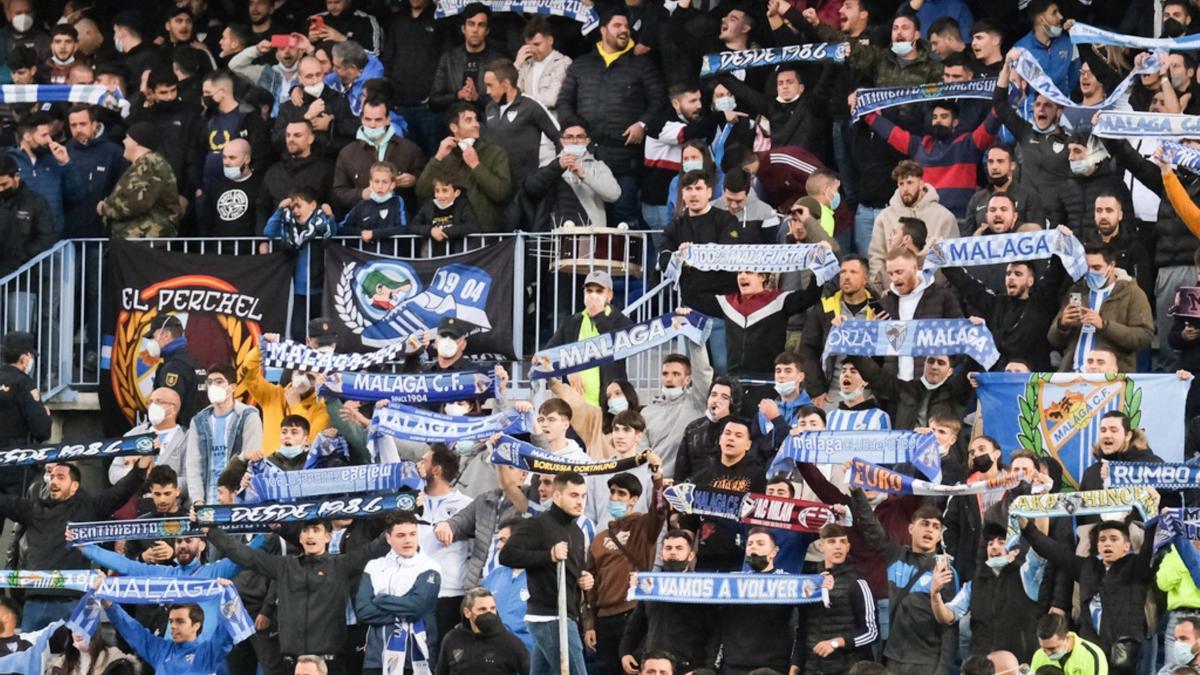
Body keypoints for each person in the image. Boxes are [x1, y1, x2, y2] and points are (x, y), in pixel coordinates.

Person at [208, 516, 388, 675]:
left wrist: (406, 513)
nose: (310, 535)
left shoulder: (341, 566)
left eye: (316, 530)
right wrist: (211, 531)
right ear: (300, 537)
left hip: (331, 664)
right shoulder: (284, 566)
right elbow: (246, 556)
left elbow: (374, 548)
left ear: (328, 537)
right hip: (291, 663)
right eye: (306, 531)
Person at [0, 456, 152, 630]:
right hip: (35, 602)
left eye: (61, 477)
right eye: (52, 476)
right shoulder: (33, 509)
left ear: (75, 486)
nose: (53, 481)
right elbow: (4, 503)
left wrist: (140, 468)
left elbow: (121, 491)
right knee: (30, 657)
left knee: (80, 655)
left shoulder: (89, 508)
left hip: (73, 602)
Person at [556, 7, 666, 226]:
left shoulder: (642, 64)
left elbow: (659, 99)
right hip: (587, 156)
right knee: (584, 219)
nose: (624, 30)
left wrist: (642, 124)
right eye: (617, 26)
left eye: (626, 26)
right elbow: (564, 101)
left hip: (625, 158)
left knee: (623, 218)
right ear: (603, 30)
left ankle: (627, 262)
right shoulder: (581, 64)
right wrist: (574, 131)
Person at [849, 486, 959, 675]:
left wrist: (942, 670)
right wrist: (857, 493)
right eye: (924, 523)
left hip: (927, 663)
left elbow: (950, 627)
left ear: (940, 535)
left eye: (935, 527)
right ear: (910, 528)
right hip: (893, 659)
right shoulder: (896, 556)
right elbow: (872, 528)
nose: (930, 530)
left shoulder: (945, 571)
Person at [498, 471, 594, 675]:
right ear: (557, 496)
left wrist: (584, 580)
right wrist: (547, 556)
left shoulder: (577, 532)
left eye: (583, 496)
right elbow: (506, 555)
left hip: (565, 615)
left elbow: (574, 572)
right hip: (550, 617)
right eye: (574, 495)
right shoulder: (538, 524)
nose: (580, 502)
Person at [586, 461, 664, 675]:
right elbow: (590, 585)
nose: (615, 498)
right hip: (603, 619)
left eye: (621, 494)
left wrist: (657, 477)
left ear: (634, 500)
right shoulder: (599, 539)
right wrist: (590, 623)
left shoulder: (642, 527)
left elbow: (660, 509)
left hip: (632, 614)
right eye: (612, 492)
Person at [357, 511, 442, 675]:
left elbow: (416, 608)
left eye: (412, 534)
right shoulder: (373, 566)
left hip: (415, 659)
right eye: (401, 535)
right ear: (389, 538)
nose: (408, 540)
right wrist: (401, 612)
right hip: (376, 658)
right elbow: (363, 612)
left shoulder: (430, 567)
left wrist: (380, 599)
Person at [1048, 242, 1154, 373]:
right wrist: (1062, 325)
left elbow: (1144, 336)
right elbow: (1053, 340)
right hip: (1073, 375)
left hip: (1111, 379)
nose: (1091, 272)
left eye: (1096, 267)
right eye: (1087, 268)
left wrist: (1104, 326)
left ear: (1112, 266)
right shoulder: (1076, 291)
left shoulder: (1132, 293)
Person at [619, 530, 715, 672]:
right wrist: (625, 652)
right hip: (654, 665)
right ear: (661, 554)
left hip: (688, 667)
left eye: (679, 548)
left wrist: (707, 668)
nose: (673, 552)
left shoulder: (703, 588)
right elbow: (635, 625)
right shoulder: (649, 585)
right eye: (668, 548)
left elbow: (714, 631)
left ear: (691, 555)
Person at [680, 417, 764, 571]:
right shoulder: (702, 475)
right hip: (706, 557)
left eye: (738, 436)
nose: (731, 438)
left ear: (748, 444)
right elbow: (689, 522)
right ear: (720, 439)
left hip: (742, 560)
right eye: (727, 433)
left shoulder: (758, 475)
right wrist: (686, 555)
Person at [793, 523, 878, 674]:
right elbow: (803, 629)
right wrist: (796, 664)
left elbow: (872, 632)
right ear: (821, 546)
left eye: (842, 542)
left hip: (849, 669)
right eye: (832, 542)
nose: (838, 547)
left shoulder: (858, 583)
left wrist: (836, 642)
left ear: (848, 547)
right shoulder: (810, 582)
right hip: (812, 669)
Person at [543, 271, 635, 408]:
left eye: (599, 291)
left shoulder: (622, 322)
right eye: (589, 291)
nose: (593, 295)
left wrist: (599, 316)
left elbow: (624, 347)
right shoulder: (571, 322)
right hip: (575, 407)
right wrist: (567, 370)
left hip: (608, 407)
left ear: (609, 295)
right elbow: (549, 354)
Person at [416, 101, 511, 232]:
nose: (476, 124)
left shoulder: (495, 152)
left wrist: (475, 165)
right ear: (454, 128)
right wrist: (438, 157)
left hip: (483, 234)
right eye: (468, 120)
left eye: (476, 119)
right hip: (449, 236)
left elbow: (501, 193)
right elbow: (422, 191)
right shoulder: (445, 155)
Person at [868, 161, 959, 292]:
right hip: (893, 292)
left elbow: (952, 261)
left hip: (934, 292)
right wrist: (881, 289)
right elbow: (877, 256)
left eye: (910, 182)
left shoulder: (945, 217)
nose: (905, 189)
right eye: (901, 184)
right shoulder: (884, 217)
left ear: (921, 184)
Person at [801, 256, 881, 403]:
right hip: (831, 394)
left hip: (867, 393)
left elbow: (888, 357)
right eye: (843, 272)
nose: (846, 277)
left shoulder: (880, 310)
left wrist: (878, 392)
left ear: (865, 278)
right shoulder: (824, 309)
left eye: (853, 272)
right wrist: (817, 389)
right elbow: (808, 349)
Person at [184, 362, 264, 506]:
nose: (213, 386)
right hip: (207, 500)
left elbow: (252, 460)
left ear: (232, 387)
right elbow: (193, 465)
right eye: (210, 382)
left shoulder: (248, 416)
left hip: (239, 499)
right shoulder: (198, 421)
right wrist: (197, 501)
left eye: (219, 382)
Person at [332, 98, 425, 217]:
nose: (372, 125)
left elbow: (426, 188)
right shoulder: (347, 153)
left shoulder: (410, 149)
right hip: (362, 224)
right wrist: (362, 194)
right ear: (361, 119)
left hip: (400, 223)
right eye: (368, 119)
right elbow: (338, 192)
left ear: (388, 120)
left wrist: (414, 181)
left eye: (378, 120)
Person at [105, 591, 237, 674]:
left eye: (180, 621)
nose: (173, 626)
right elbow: (133, 630)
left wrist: (230, 597)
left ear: (196, 625)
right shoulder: (161, 650)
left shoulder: (207, 653)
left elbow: (225, 634)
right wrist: (109, 605)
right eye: (171, 621)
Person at [522, 119, 620, 230]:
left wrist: (584, 175)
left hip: (591, 232)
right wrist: (557, 166)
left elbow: (614, 195)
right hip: (556, 233)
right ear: (562, 141)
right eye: (569, 137)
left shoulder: (598, 166)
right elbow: (532, 188)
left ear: (587, 141)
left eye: (580, 137)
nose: (575, 141)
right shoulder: (548, 165)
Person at [98, 121, 182, 238]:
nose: (124, 141)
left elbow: (134, 203)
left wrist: (105, 208)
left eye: (127, 138)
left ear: (137, 142)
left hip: (144, 241)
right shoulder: (146, 164)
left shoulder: (148, 164)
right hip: (139, 241)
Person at [483, 58, 560, 183]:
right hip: (497, 183)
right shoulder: (490, 108)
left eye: (490, 85)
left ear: (505, 84)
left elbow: (559, 137)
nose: (487, 91)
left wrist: (556, 170)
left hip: (524, 183)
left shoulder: (531, 106)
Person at [429, 3, 505, 116]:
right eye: (471, 24)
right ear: (463, 28)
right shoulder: (449, 58)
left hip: (488, 126)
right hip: (454, 127)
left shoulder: (498, 61)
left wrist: (477, 98)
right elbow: (434, 101)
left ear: (487, 31)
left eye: (481, 25)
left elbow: (504, 102)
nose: (475, 30)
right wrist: (458, 95)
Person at [110, 387, 188, 494]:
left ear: (174, 408)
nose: (153, 406)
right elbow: (113, 473)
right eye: (150, 402)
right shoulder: (133, 434)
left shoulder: (186, 438)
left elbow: (189, 481)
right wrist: (135, 473)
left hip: (170, 506)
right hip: (135, 505)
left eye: (159, 402)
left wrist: (158, 482)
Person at [437, 587, 530, 675]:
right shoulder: (452, 639)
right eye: (482, 609)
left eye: (492, 608)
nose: (489, 613)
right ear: (467, 613)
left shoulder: (510, 643)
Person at [963, 144, 1045, 235]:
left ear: (1012, 165)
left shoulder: (1029, 196)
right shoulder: (977, 198)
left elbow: (1039, 234)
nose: (994, 167)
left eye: (1000, 161)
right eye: (990, 162)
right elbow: (966, 237)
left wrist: (1013, 226)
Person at [0, 155, 54, 280]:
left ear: (16, 177)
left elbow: (45, 238)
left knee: (17, 300)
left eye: (4, 184)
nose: (1, 189)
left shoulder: (36, 202)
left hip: (24, 273)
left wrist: (21, 255)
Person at [1029, 613, 1108, 674]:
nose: (1047, 653)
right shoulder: (1038, 656)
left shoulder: (1092, 656)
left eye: (1052, 648)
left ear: (1066, 637)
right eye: (1043, 648)